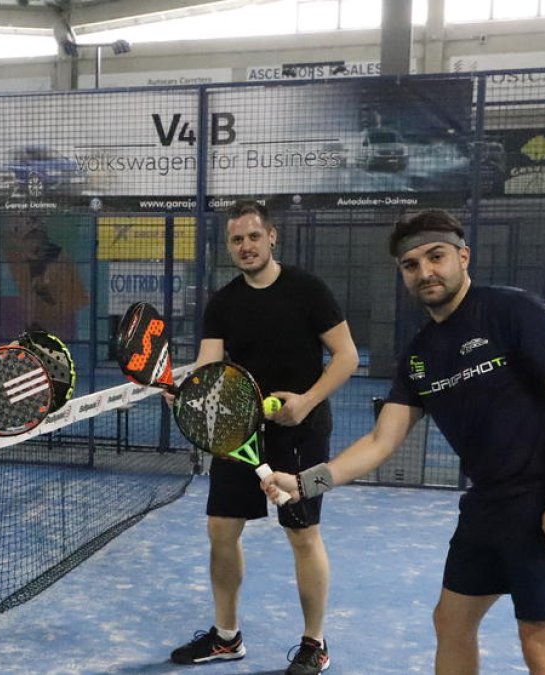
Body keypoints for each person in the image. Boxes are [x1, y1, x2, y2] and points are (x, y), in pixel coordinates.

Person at [262, 210, 545, 675]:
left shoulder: (513, 311)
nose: (425, 271)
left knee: (541, 645)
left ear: (463, 257)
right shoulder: (419, 355)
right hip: (487, 505)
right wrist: (306, 484)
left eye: (436, 257)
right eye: (411, 264)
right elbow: (381, 441)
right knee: (451, 622)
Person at [170, 200, 359, 675]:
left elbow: (347, 356)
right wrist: (186, 393)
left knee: (302, 533)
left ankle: (314, 644)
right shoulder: (223, 303)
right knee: (221, 529)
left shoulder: (308, 290)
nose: (246, 246)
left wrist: (306, 401)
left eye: (254, 236)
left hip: (301, 432)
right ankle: (226, 637)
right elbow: (209, 368)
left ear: (272, 237)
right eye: (237, 240)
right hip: (237, 432)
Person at [4, 218, 89, 340]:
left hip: (47, 259)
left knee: (42, 290)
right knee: (35, 292)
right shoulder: (25, 247)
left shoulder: (53, 251)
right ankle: (34, 327)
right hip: (38, 264)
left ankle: (37, 325)